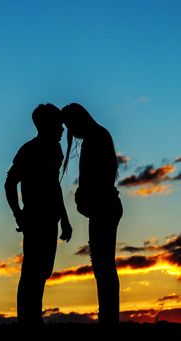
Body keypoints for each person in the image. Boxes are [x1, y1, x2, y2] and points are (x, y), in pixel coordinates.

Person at [5, 103, 72, 326]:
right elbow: (9, 183)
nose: (63, 130)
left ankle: (33, 317)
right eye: (59, 125)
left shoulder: (56, 150)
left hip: (50, 218)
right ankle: (28, 320)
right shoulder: (28, 150)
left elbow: (55, 186)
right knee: (32, 271)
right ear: (47, 125)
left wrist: (65, 219)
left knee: (43, 270)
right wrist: (18, 214)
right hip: (34, 218)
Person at [61, 102, 123, 327]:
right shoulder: (99, 136)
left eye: (70, 125)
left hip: (103, 208)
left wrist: (83, 196)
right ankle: (108, 316)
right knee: (104, 265)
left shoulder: (95, 139)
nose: (71, 132)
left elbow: (96, 179)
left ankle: (108, 318)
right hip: (105, 206)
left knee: (103, 266)